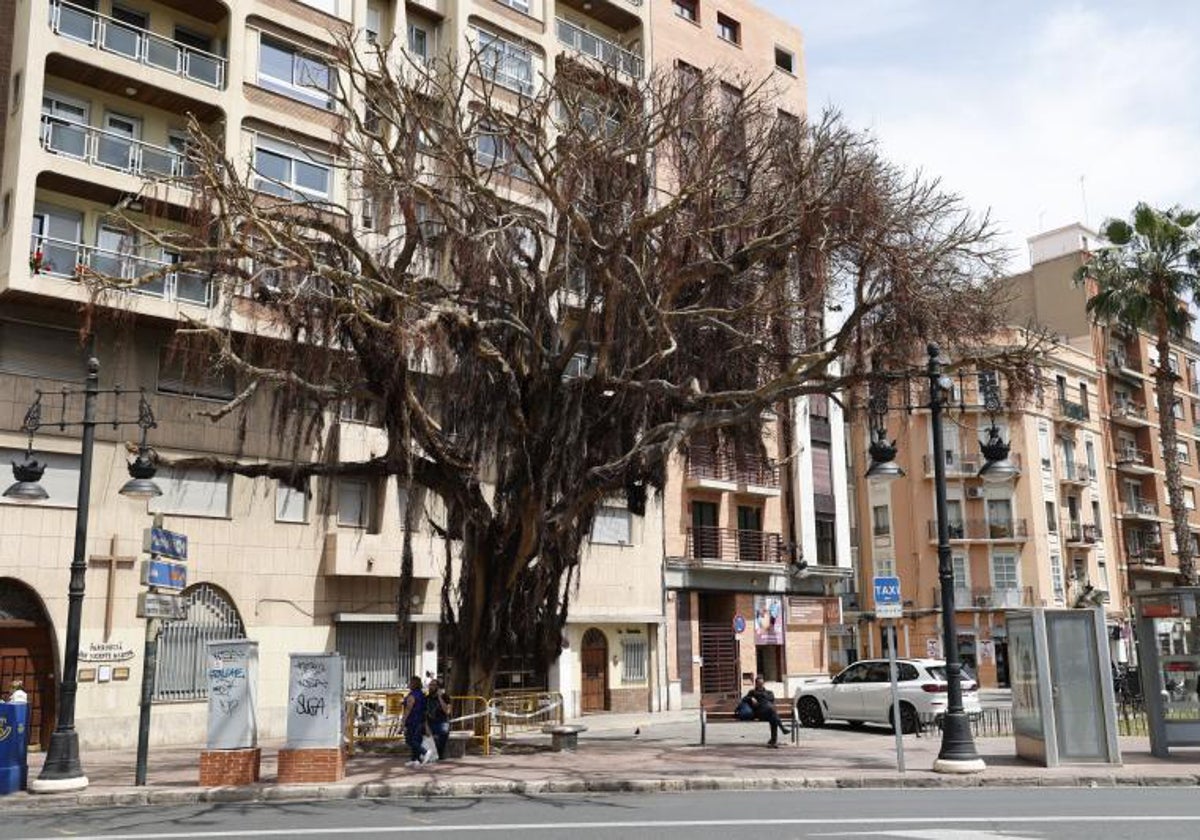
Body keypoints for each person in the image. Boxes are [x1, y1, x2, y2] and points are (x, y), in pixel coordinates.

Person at [743, 674, 790, 747]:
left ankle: (773, 741)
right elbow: (744, 699)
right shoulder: (752, 692)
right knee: (772, 712)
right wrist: (751, 698)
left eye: (761, 683)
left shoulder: (769, 692)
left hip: (768, 713)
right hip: (759, 713)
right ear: (756, 684)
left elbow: (772, 700)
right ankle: (782, 729)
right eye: (759, 684)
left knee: (773, 717)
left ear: (763, 683)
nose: (760, 685)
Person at [400, 675, 427, 768]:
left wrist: (403, 721)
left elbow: (408, 709)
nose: (409, 684)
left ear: (414, 684)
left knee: (410, 740)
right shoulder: (421, 694)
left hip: (412, 720)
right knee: (416, 740)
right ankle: (415, 760)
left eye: (410, 682)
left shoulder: (412, 695)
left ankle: (425, 752)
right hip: (420, 719)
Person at [425, 677, 452, 760]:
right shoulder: (427, 698)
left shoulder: (445, 697)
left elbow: (447, 711)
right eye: (430, 685)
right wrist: (426, 726)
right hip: (430, 722)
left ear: (438, 687)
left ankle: (440, 754)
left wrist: (440, 698)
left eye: (433, 685)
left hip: (442, 721)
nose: (430, 687)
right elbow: (424, 714)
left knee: (443, 731)